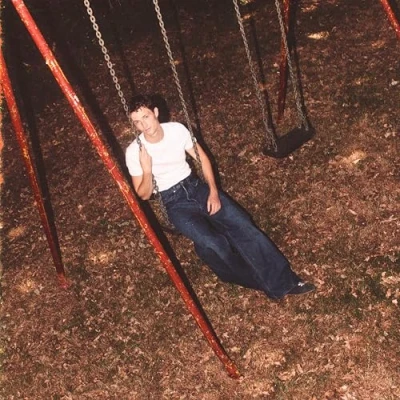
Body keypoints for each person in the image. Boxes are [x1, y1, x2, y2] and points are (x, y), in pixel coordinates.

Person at [125, 94, 315, 299]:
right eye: (137, 122)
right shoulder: (134, 151)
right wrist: (147, 170)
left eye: (146, 117)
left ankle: (284, 281)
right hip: (174, 203)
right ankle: (249, 278)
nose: (144, 125)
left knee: (242, 224)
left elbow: (203, 159)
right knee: (214, 245)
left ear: (155, 112)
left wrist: (213, 192)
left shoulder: (177, 130)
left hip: (196, 187)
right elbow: (143, 194)